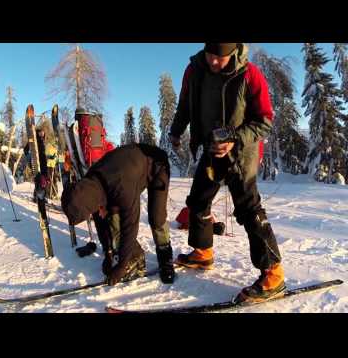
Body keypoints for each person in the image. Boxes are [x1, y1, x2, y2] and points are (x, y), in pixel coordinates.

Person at [169, 43, 285, 303]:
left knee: (248, 209)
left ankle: (274, 274)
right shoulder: (194, 70)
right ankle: (202, 253)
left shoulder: (250, 74)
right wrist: (176, 131)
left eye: (220, 58)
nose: (214, 62)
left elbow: (264, 120)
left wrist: (235, 138)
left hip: (241, 153)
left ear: (234, 52)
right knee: (198, 200)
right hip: (211, 149)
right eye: (210, 55)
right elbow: (185, 106)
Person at [61, 143, 175, 286]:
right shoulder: (89, 184)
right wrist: (107, 252)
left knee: (156, 216)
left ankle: (165, 256)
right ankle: (130, 255)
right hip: (126, 170)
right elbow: (98, 218)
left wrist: (121, 267)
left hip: (157, 165)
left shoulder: (122, 188)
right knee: (112, 217)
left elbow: (130, 227)